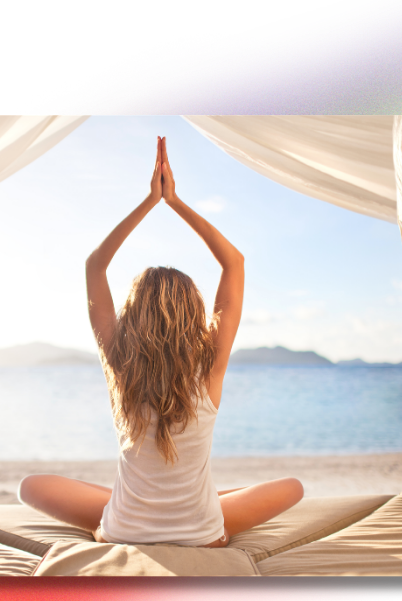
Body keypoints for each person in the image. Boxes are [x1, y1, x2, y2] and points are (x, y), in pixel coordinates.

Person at [18, 136, 303, 548]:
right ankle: (201, 501)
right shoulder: (210, 367)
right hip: (204, 537)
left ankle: (142, 505)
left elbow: (94, 264)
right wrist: (175, 202)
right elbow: (234, 262)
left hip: (121, 533)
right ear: (193, 315)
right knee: (292, 486)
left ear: (133, 314)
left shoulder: (118, 364)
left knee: (31, 486)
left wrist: (150, 201)